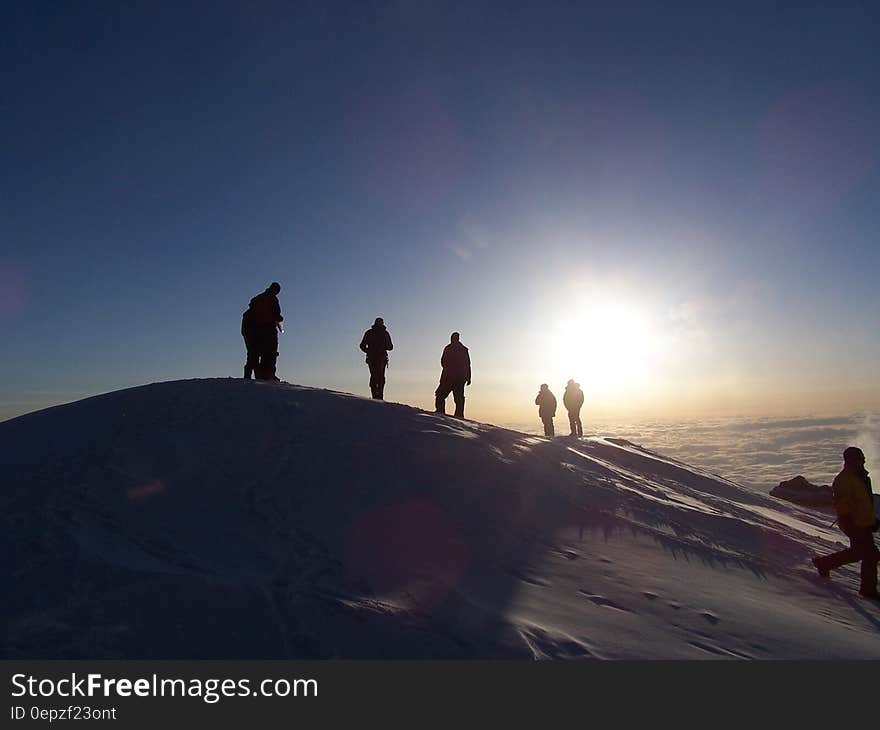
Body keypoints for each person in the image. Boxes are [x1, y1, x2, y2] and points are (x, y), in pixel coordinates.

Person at [812, 447, 879, 599]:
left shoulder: (860, 477)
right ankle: (868, 590)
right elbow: (841, 500)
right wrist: (847, 518)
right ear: (851, 460)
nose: (863, 460)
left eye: (862, 458)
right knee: (870, 554)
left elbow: (864, 503)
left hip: (862, 522)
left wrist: (872, 520)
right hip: (853, 522)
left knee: (862, 553)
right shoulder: (845, 479)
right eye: (860, 458)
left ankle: (824, 564)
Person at [248, 282, 283, 380]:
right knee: (271, 352)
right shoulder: (272, 299)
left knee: (261, 352)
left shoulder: (259, 298)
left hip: (256, 329)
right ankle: (269, 374)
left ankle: (260, 374)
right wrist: (280, 319)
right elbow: (276, 315)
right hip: (269, 328)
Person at [435, 332, 471, 418]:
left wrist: (468, 377)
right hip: (456, 378)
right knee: (456, 398)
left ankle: (442, 414)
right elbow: (468, 364)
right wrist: (468, 378)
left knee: (443, 395)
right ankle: (454, 415)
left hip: (450, 378)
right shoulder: (462, 349)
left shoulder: (450, 348)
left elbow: (467, 364)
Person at [359, 317, 394, 399]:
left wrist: (369, 351)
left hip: (377, 358)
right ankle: (377, 397)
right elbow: (390, 347)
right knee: (378, 376)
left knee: (376, 376)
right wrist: (369, 351)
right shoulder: (383, 333)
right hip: (376, 358)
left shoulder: (372, 332)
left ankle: (377, 396)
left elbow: (390, 347)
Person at [241, 306, 258, 379]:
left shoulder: (247, 313)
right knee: (253, 356)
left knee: (252, 356)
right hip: (252, 336)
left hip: (249, 336)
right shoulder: (255, 313)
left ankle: (249, 376)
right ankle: (255, 376)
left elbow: (243, 330)